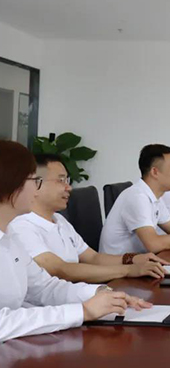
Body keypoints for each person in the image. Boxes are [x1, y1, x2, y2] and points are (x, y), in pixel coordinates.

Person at [0, 140, 149, 342]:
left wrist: (100, 293)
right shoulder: (20, 228)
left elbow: (45, 287)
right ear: (11, 183)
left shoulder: (10, 236)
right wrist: (82, 311)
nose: (36, 188)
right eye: (33, 180)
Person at [8, 154, 168, 284]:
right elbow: (60, 269)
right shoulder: (21, 225)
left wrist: (133, 259)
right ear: (36, 184)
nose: (68, 187)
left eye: (67, 181)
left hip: (76, 295)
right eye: (61, 180)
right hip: (52, 306)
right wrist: (128, 270)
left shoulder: (59, 220)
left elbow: (93, 257)